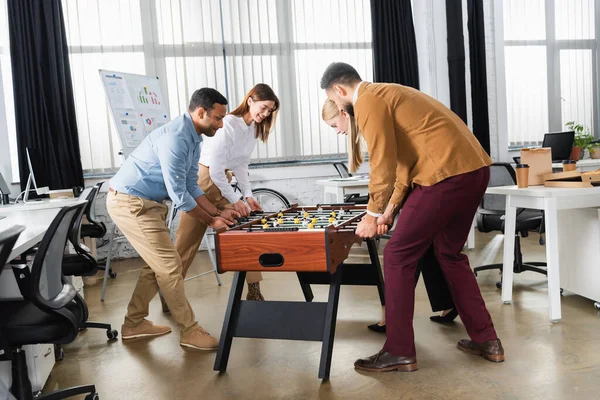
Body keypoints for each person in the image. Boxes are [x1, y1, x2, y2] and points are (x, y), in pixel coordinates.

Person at [320, 62, 503, 372]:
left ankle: (399, 350)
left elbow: (383, 162)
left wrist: (372, 214)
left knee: (397, 254)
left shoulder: (368, 99)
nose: (340, 109)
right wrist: (389, 211)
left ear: (339, 90)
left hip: (444, 178)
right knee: (448, 254)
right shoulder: (390, 95)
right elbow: (405, 167)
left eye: (336, 103)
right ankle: (488, 340)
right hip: (474, 171)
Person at [107, 88, 239, 351]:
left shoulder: (194, 138)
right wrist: (211, 221)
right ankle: (190, 330)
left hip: (147, 204)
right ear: (201, 113)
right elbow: (179, 195)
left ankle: (133, 324)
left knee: (156, 266)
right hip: (130, 203)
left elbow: (191, 184)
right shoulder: (176, 138)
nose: (221, 124)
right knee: (169, 266)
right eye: (217, 118)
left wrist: (216, 212)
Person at [321, 99, 457, 334]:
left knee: (400, 249)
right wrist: (386, 213)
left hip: (427, 181)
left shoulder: (372, 125)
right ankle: (448, 303)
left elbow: (390, 175)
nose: (338, 131)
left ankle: (393, 319)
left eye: (335, 125)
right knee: (426, 246)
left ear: (345, 114)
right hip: (423, 181)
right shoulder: (369, 124)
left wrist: (381, 214)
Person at [174, 83, 280, 302]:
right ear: (250, 100)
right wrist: (236, 198)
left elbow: (241, 164)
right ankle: (171, 293)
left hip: (223, 180)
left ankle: (254, 290)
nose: (266, 113)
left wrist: (248, 195)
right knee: (186, 244)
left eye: (270, 110)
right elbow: (214, 170)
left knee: (246, 230)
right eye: (264, 107)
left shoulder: (252, 130)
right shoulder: (229, 125)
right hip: (203, 181)